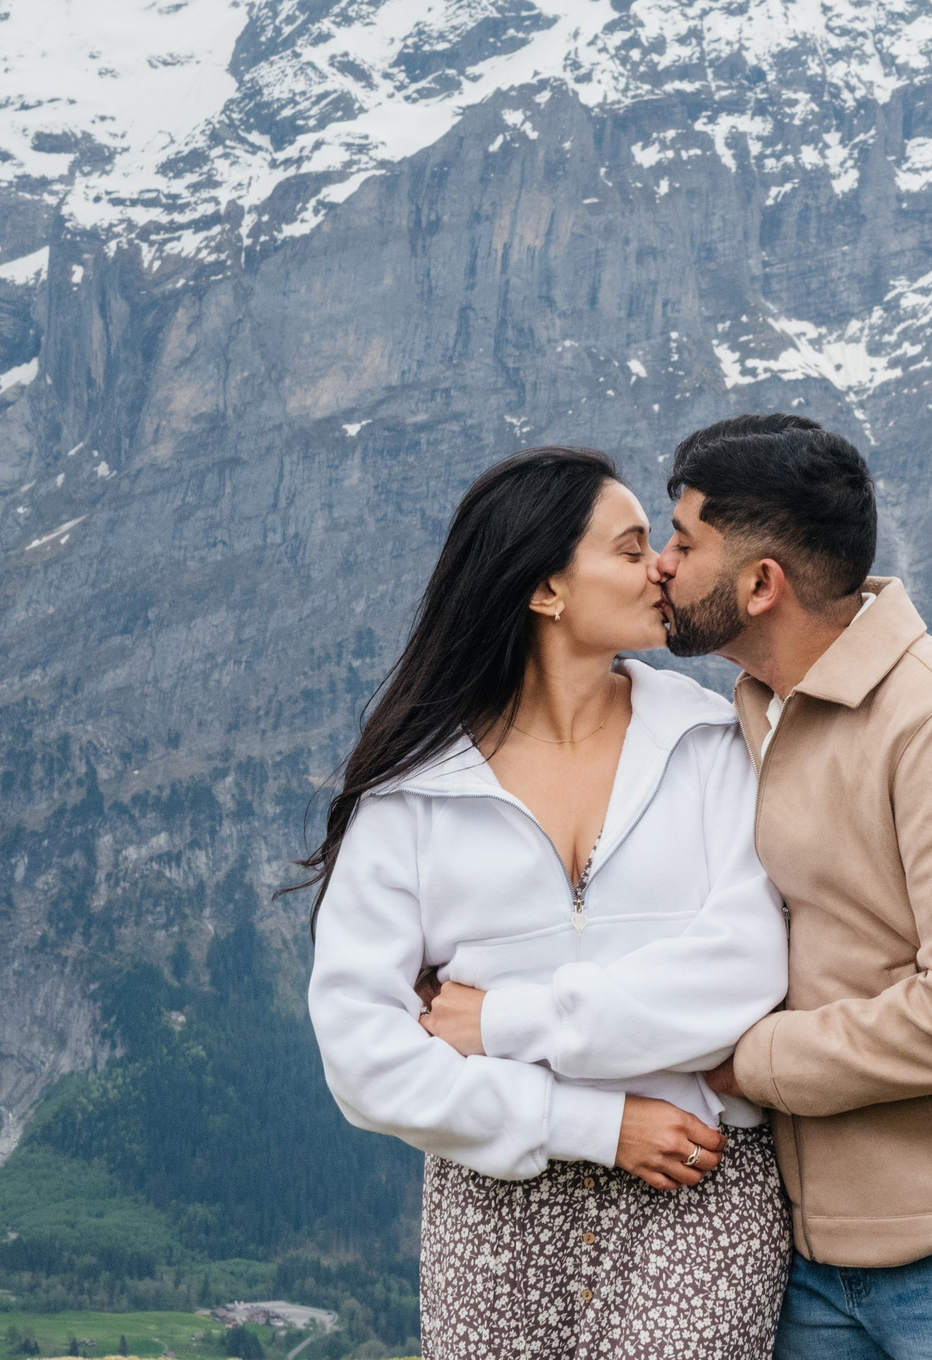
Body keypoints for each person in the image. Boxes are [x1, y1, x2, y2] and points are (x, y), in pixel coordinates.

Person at [299, 446, 792, 1359]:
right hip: (493, 1204)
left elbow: (748, 969)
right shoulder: (412, 795)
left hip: (696, 1179)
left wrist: (504, 1020)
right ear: (546, 591)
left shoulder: (713, 743)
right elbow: (362, 1051)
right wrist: (595, 1124)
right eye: (632, 545)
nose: (664, 568)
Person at [653, 414, 932, 1360]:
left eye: (683, 541)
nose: (660, 564)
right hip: (816, 1257)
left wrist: (756, 1061)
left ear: (761, 583)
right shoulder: (752, 712)